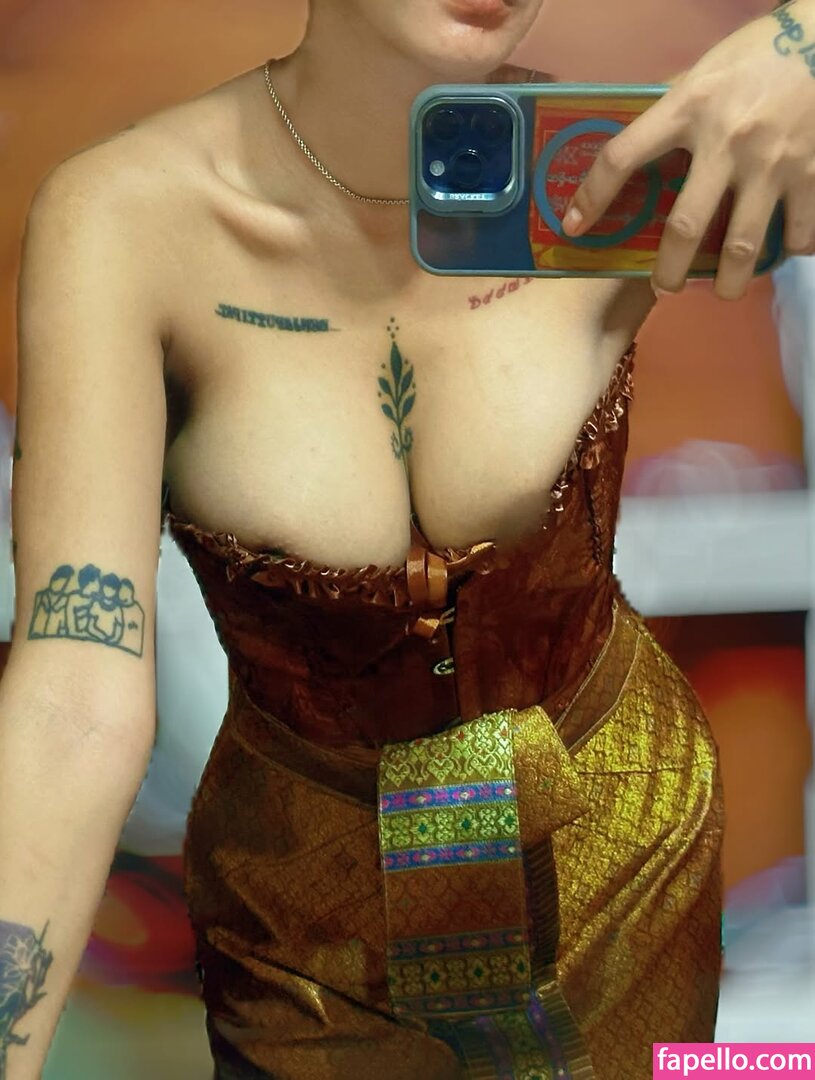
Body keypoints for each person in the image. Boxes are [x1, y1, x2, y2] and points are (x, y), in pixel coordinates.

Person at [1, 0, 813, 1077]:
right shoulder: (124, 221)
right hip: (306, 917)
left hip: (620, 856)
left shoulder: (617, 168)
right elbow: (74, 693)